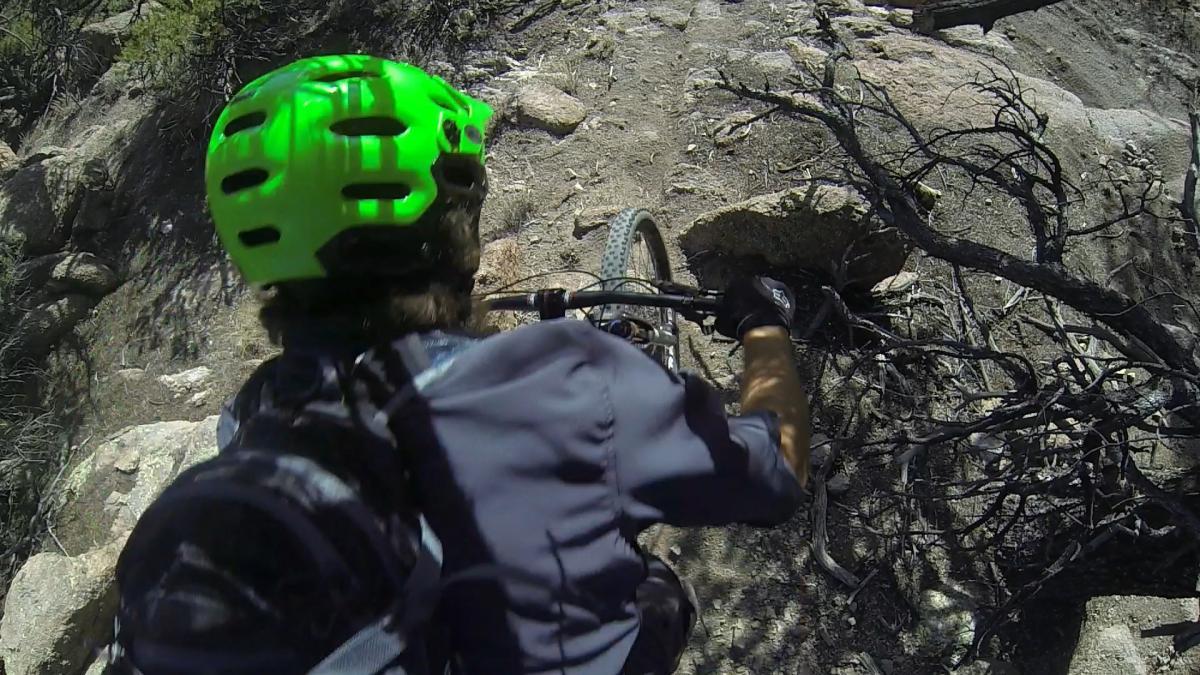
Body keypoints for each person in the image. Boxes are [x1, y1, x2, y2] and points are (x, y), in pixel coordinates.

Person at [106, 55, 810, 675]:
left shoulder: (250, 423)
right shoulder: (567, 379)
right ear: (454, 212)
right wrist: (763, 323)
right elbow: (775, 475)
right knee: (659, 589)